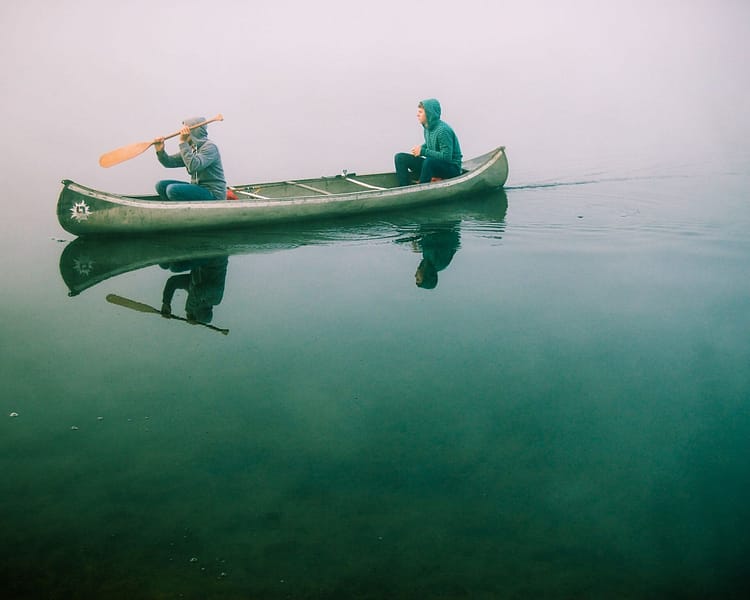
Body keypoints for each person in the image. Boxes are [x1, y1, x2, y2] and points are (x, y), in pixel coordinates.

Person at [154, 117, 226, 200]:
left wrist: (183, 143)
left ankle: (183, 210)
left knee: (173, 189)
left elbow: (194, 166)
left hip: (213, 193)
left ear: (194, 132)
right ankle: (174, 209)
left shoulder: (210, 147)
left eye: (185, 131)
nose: (181, 134)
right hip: (197, 188)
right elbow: (169, 162)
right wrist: (160, 151)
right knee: (161, 185)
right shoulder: (192, 148)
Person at [395, 99, 463, 186]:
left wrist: (423, 152)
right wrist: (420, 149)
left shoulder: (443, 130)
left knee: (429, 161)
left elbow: (447, 157)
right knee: (400, 158)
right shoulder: (427, 128)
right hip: (435, 165)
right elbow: (431, 144)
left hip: (451, 168)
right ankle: (404, 188)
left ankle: (420, 189)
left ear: (429, 113)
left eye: (420, 112)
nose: (417, 115)